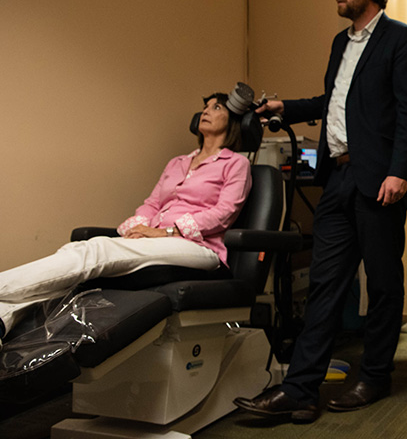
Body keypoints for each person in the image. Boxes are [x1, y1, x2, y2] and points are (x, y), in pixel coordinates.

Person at [234, 0, 407, 424]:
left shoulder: (400, 38)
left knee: (381, 284)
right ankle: (300, 390)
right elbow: (333, 102)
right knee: (324, 286)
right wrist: (288, 106)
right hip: (336, 179)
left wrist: (398, 171)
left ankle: (375, 375)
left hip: (380, 180)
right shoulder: (342, 42)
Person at [0, 93, 252, 345]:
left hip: (200, 248)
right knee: (78, 250)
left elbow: (224, 213)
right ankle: (3, 317)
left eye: (216, 107)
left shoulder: (236, 163)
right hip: (155, 240)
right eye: (205, 107)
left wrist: (166, 232)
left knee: (96, 250)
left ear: (233, 122)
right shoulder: (178, 162)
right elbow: (152, 204)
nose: (205, 111)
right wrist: (138, 228)